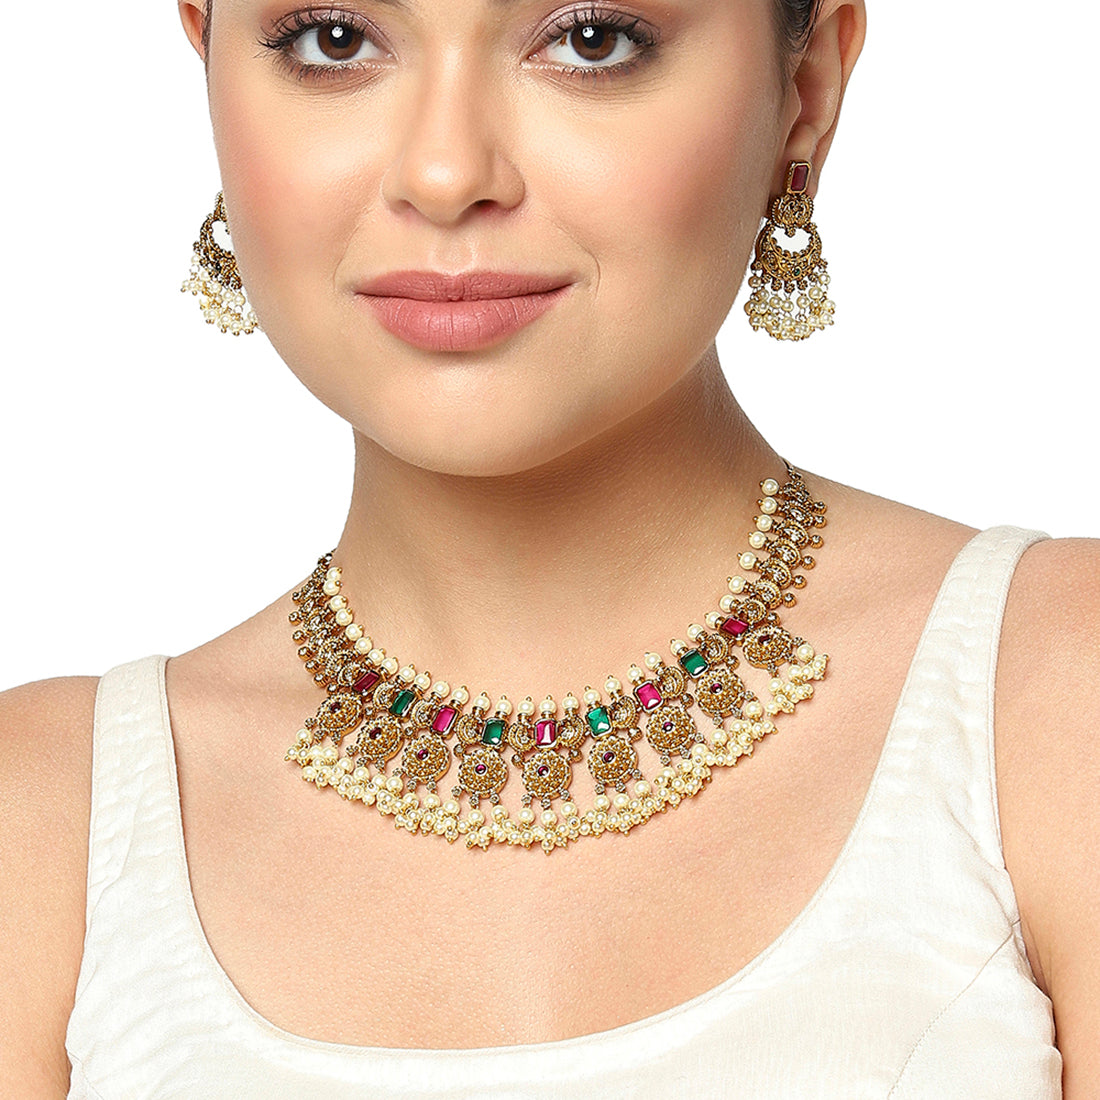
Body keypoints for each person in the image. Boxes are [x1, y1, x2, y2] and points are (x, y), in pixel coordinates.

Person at [1, 0, 1097, 1096]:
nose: (444, 174)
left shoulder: (1047, 694)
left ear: (804, 93)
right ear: (209, 71)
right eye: (335, 39)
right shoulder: (50, 823)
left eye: (589, 38)